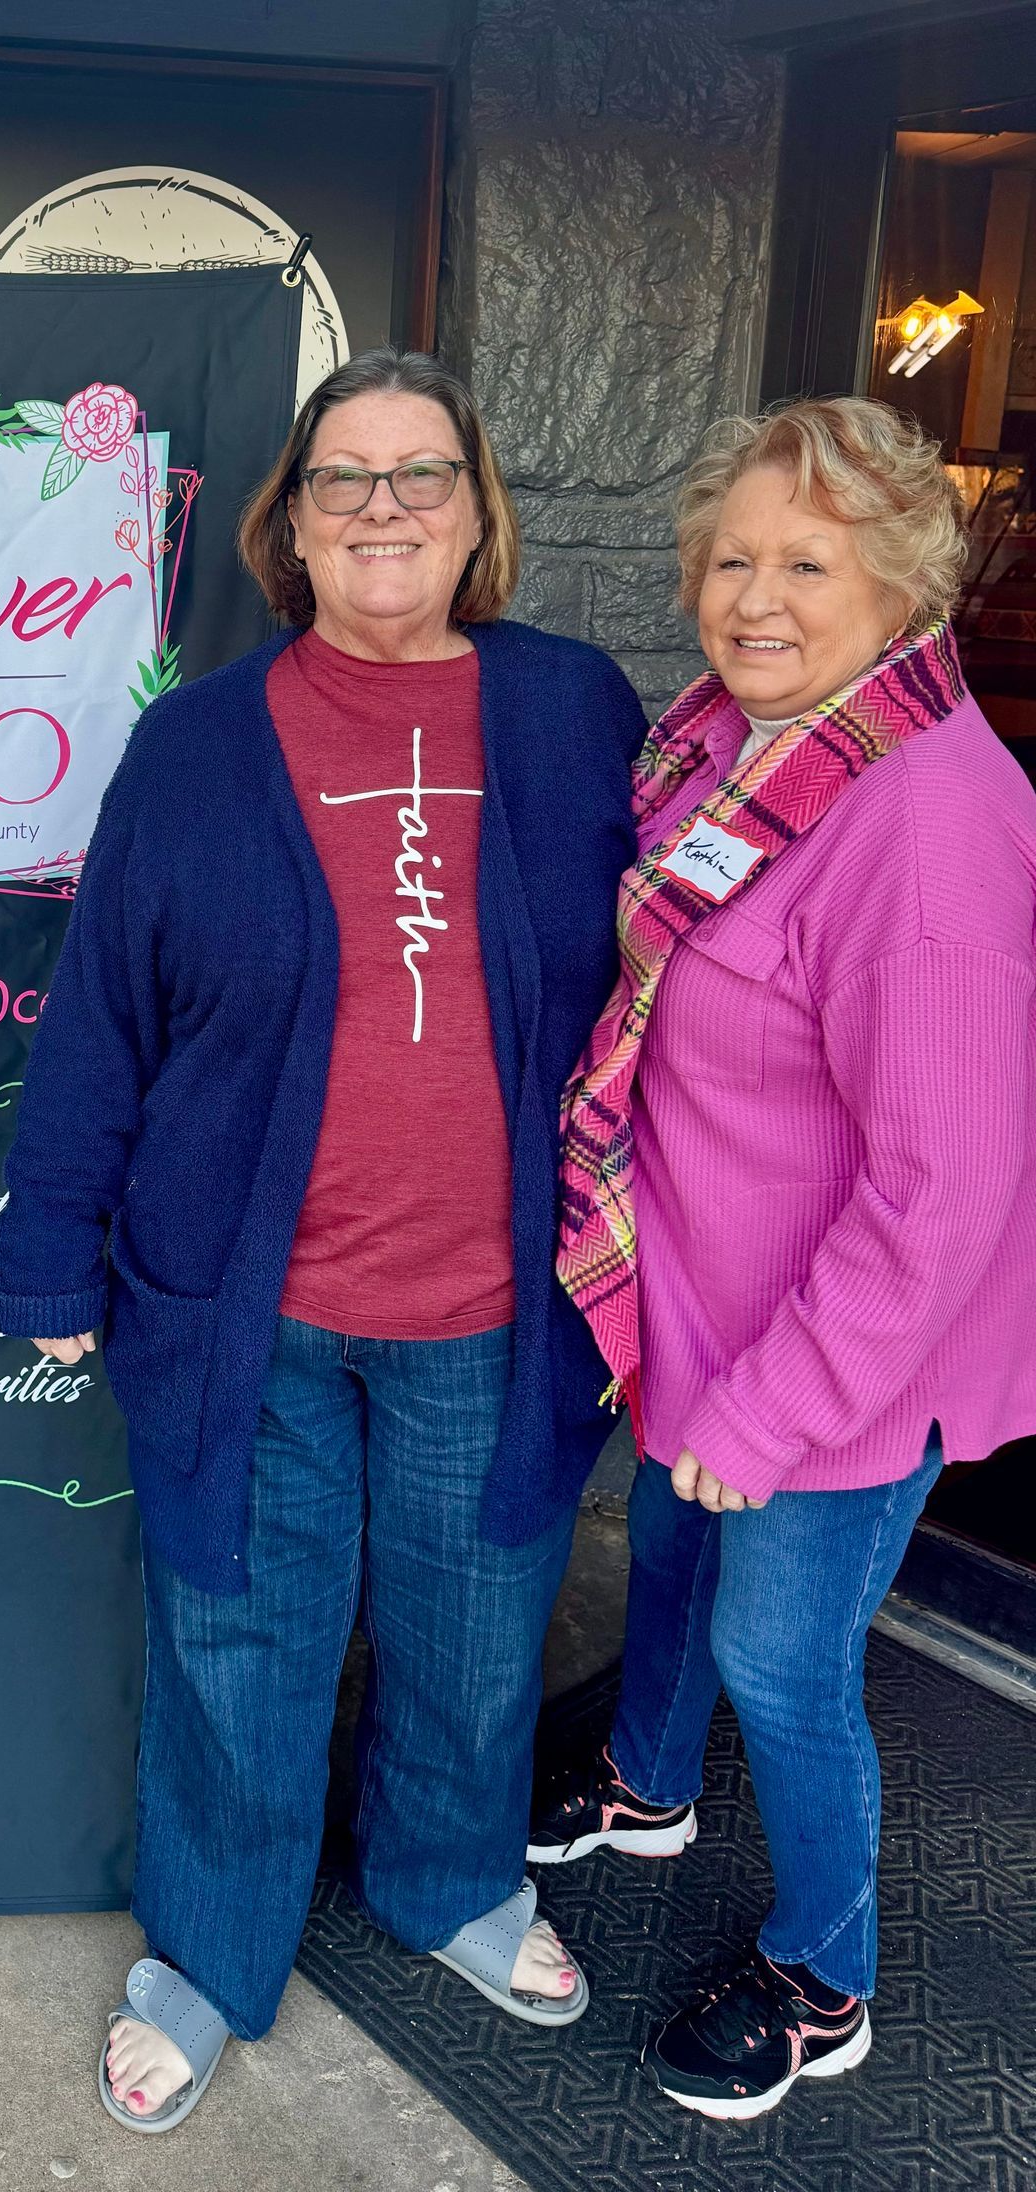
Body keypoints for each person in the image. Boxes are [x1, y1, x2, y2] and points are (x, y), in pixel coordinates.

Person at [0, 347, 648, 2131]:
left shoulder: (577, 711)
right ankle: (207, 1953)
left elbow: (682, 980)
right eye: (343, 478)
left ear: (475, 508)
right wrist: (52, 1248)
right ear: (289, 518)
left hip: (495, 1301)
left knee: (477, 1619)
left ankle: (449, 1883)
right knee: (239, 1639)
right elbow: (102, 1016)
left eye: (419, 475)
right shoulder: (199, 742)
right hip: (243, 1302)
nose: (381, 510)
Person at [542, 396, 1036, 2119]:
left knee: (782, 1659)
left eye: (807, 562)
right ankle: (644, 1780)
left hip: (837, 1354)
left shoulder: (930, 822)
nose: (754, 596)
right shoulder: (740, 745)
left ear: (906, 584)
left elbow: (942, 1193)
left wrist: (767, 1416)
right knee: (668, 1557)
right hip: (705, 1305)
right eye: (731, 557)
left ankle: (827, 1972)